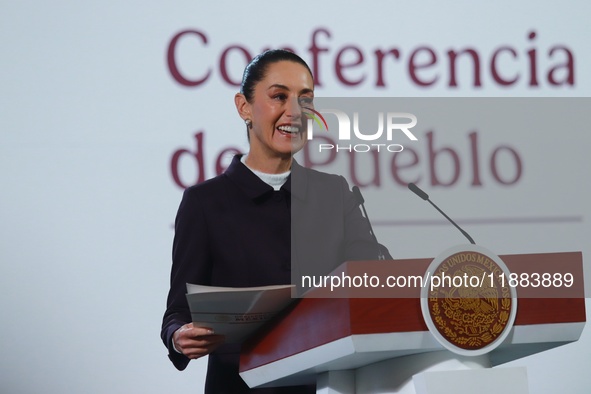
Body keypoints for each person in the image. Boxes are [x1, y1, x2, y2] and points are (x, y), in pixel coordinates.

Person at [161, 49, 390, 393]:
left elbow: (371, 278)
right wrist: (179, 337)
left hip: (328, 383)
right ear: (244, 107)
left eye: (305, 99)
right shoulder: (205, 202)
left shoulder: (334, 192)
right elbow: (177, 311)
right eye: (279, 96)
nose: (295, 111)